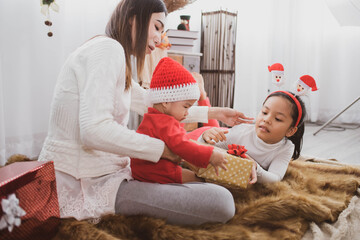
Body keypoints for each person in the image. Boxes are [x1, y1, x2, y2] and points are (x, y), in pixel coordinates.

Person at [38, 0, 253, 225]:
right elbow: (93, 130)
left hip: (106, 173)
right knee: (221, 201)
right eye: (157, 27)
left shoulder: (112, 53)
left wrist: (216, 113)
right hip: (87, 183)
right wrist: (162, 150)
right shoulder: (107, 50)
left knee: (208, 181)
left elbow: (157, 104)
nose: (160, 38)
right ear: (133, 17)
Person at [131, 57, 231, 184]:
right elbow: (183, 146)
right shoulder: (166, 123)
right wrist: (211, 155)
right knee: (200, 180)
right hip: (156, 171)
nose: (187, 112)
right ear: (166, 101)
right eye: (185, 106)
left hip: (144, 170)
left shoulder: (154, 118)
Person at [198, 90, 306, 183]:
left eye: (277, 119)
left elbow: (275, 178)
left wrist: (254, 167)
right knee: (209, 130)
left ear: (291, 131)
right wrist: (204, 136)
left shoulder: (286, 147)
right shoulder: (241, 132)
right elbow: (200, 149)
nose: (267, 119)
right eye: (264, 112)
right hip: (201, 133)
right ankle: (202, 96)